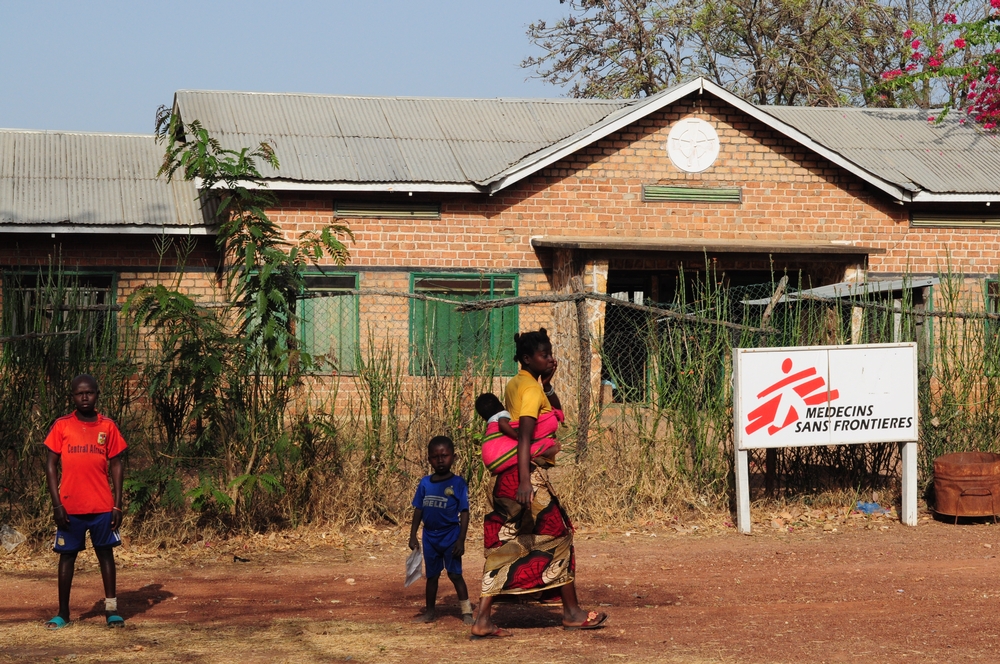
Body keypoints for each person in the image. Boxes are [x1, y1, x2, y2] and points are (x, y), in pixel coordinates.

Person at [471, 328, 608, 639]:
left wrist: (546, 383)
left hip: (507, 478)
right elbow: (524, 436)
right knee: (559, 534)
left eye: (549, 353)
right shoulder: (531, 391)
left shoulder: (519, 384)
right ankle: (571, 613)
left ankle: (482, 618)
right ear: (526, 358)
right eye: (544, 355)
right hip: (524, 478)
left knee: (511, 541)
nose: (550, 358)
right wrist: (524, 482)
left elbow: (541, 411)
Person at [43, 374, 127, 629]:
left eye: (89, 393)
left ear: (97, 394)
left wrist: (118, 504)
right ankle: (63, 613)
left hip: (102, 506)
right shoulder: (62, 426)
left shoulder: (107, 427)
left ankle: (111, 610)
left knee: (106, 555)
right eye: (80, 394)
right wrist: (57, 504)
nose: (85, 397)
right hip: (70, 508)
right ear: (73, 397)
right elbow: (50, 465)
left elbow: (116, 464)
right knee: (67, 558)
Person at [408, 435, 474, 625]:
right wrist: (413, 535)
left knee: (455, 574)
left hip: (451, 535)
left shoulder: (458, 483)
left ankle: (467, 611)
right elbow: (418, 509)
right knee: (432, 576)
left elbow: (464, 512)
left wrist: (461, 539)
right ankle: (430, 612)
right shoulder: (425, 483)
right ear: (429, 459)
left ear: (453, 457)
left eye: (444, 456)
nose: (440, 460)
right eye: (435, 457)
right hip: (430, 537)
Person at [474, 392, 562, 475]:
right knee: (525, 446)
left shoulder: (490, 424)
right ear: (500, 404)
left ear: (484, 418)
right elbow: (503, 424)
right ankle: (541, 452)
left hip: (491, 461)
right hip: (498, 457)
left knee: (520, 447)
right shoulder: (502, 414)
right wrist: (518, 436)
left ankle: (536, 455)